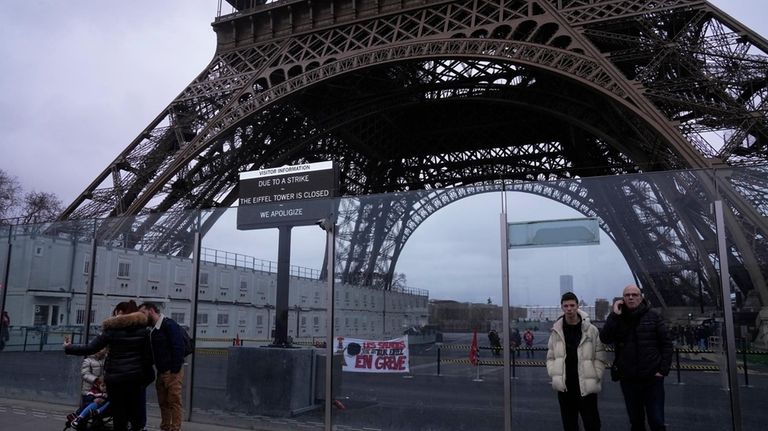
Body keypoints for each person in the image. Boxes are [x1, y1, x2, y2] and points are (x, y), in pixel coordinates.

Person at [64, 300, 154, 431]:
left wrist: (69, 347)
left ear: (120, 313)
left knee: (119, 414)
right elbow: (149, 358)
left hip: (115, 380)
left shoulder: (111, 330)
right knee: (135, 412)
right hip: (135, 379)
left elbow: (91, 348)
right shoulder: (144, 332)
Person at [600, 284, 673, 431]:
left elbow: (667, 345)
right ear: (622, 299)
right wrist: (614, 314)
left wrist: (662, 371)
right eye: (627, 295)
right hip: (629, 379)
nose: (631, 297)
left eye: (635, 294)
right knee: (636, 421)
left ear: (641, 297)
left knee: (657, 421)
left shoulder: (654, 316)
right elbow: (605, 338)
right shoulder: (618, 318)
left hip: (652, 379)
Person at [546, 292, 607, 431]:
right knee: (569, 425)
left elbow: (600, 356)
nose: (569, 308)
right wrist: (554, 372)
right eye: (566, 305)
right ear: (562, 307)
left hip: (586, 385)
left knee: (592, 425)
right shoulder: (556, 331)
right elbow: (550, 357)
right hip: (565, 387)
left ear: (577, 306)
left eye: (572, 305)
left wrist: (595, 374)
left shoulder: (591, 330)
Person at [140, 302, 186, 431]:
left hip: (172, 371)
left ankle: (175, 428)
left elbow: (178, 347)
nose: (142, 317)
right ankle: (165, 426)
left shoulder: (168, 324)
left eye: (143, 313)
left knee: (174, 400)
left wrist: (174, 371)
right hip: (161, 371)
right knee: (163, 401)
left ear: (151, 311)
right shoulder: (153, 330)